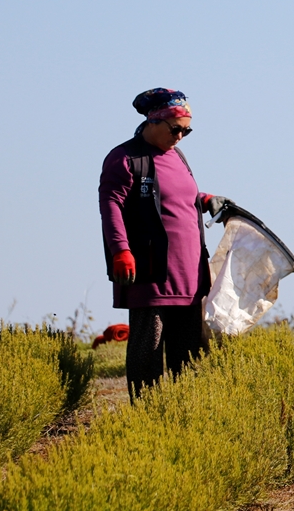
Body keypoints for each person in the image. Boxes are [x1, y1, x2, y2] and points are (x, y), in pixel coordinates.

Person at [99, 88, 233, 401]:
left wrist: (206, 200)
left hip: (189, 275)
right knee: (148, 351)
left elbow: (180, 198)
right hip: (150, 273)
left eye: (187, 131)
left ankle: (185, 413)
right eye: (175, 129)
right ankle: (148, 415)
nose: (180, 136)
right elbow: (111, 205)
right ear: (154, 121)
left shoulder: (178, 157)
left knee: (188, 356)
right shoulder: (125, 158)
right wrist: (121, 250)